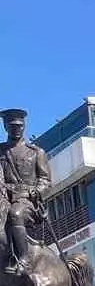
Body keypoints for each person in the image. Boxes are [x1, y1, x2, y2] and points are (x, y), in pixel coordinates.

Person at [0, 109, 50, 275]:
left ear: (24, 126)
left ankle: (24, 260)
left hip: (27, 202)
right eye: (12, 126)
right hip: (4, 198)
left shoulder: (36, 152)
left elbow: (45, 181)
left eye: (19, 126)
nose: (17, 129)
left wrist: (36, 192)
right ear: (5, 126)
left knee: (15, 213)